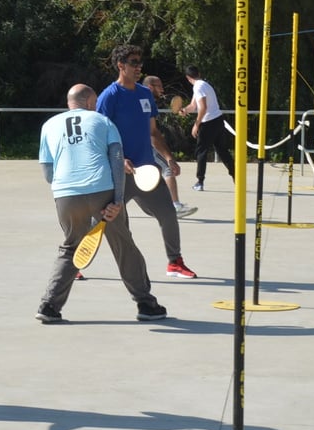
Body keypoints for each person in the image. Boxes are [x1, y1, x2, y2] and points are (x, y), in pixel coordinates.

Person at [36, 84, 167, 324]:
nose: (96, 107)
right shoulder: (102, 122)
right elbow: (117, 160)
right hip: (101, 191)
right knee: (123, 246)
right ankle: (146, 304)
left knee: (70, 248)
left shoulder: (49, 125)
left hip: (66, 194)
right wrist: (117, 200)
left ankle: (49, 306)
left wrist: (63, 190)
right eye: (95, 103)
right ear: (88, 102)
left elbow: (47, 169)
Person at [96, 45, 198, 279]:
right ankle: (74, 264)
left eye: (140, 62)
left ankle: (175, 262)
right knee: (99, 221)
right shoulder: (109, 97)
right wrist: (119, 161)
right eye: (133, 62)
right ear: (121, 65)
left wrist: (169, 158)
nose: (138, 66)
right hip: (118, 175)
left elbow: (153, 132)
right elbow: (99, 136)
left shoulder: (144, 95)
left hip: (148, 173)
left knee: (168, 215)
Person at [142, 75, 197, 218]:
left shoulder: (146, 99)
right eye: (159, 86)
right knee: (167, 169)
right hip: (144, 143)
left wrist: (182, 110)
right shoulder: (144, 99)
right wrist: (169, 157)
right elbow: (151, 132)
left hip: (141, 143)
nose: (162, 88)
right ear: (150, 87)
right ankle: (175, 205)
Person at [180, 65, 234, 191]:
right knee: (223, 151)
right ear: (198, 73)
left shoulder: (198, 87)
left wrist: (196, 125)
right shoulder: (204, 85)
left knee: (201, 152)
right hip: (218, 120)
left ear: (188, 78)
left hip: (208, 123)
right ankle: (237, 177)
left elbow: (203, 108)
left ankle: (200, 182)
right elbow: (193, 106)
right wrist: (184, 110)